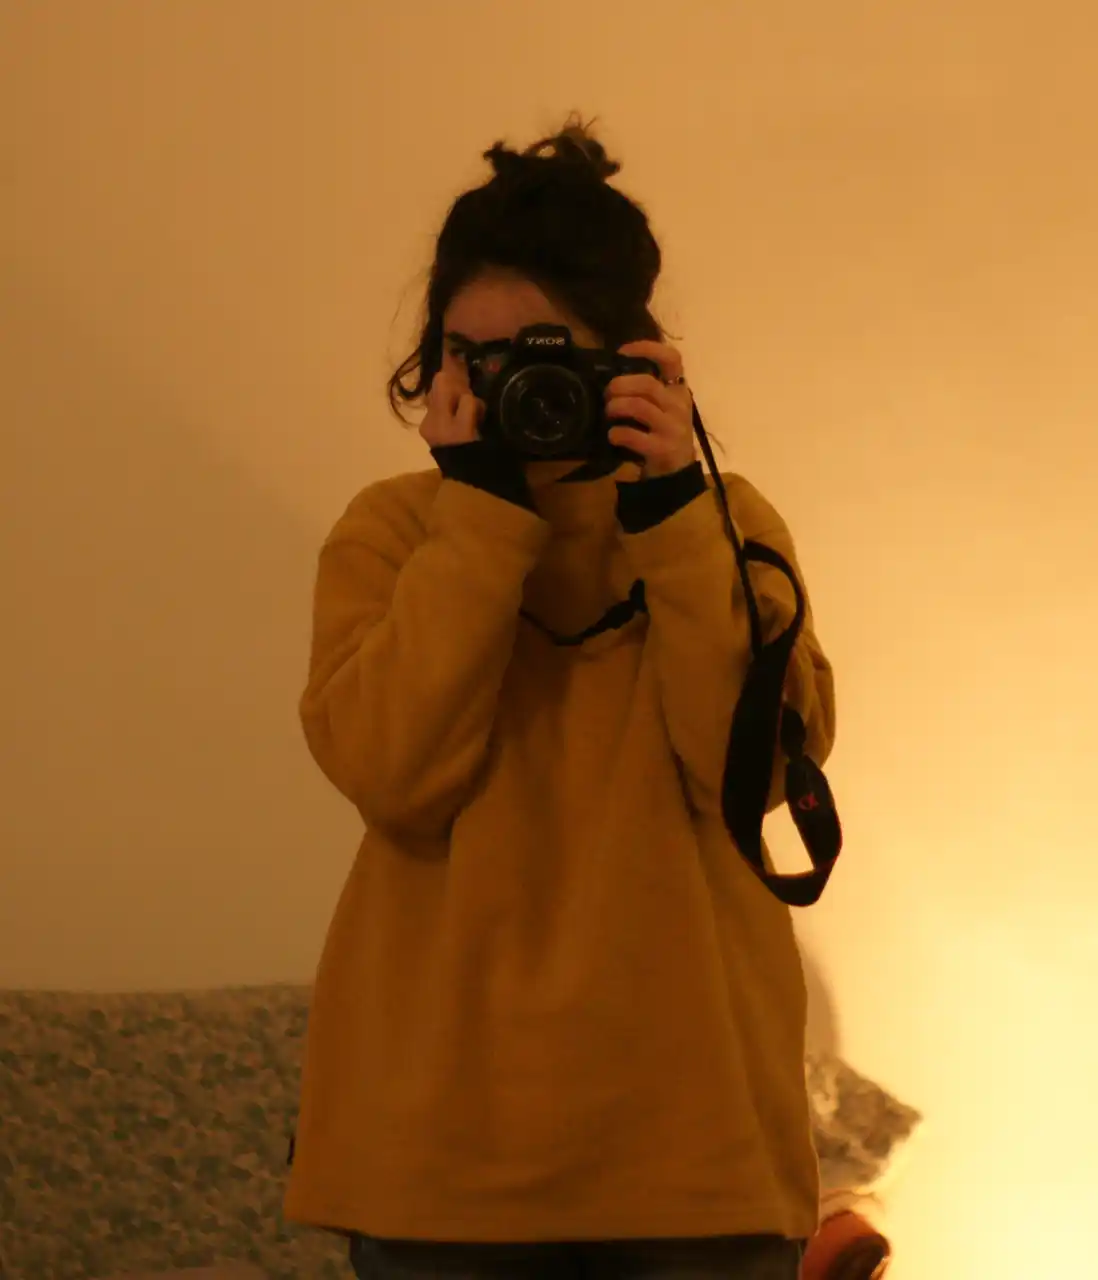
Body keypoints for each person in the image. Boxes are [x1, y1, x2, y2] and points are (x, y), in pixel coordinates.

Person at [284, 116, 836, 1280]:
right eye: (468, 357)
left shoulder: (721, 521)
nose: (504, 389)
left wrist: (672, 511)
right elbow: (394, 773)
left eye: (541, 354)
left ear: (631, 359)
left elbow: (744, 774)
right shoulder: (394, 533)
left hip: (696, 1152)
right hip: (439, 1162)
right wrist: (481, 517)